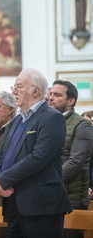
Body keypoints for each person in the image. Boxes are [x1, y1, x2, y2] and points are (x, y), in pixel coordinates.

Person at [0, 68, 72, 237]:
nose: (13, 91)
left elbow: (39, 157)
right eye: (14, 87)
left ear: (35, 91)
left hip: (41, 206)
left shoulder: (52, 117)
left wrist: (3, 180)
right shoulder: (17, 121)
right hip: (13, 202)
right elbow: (0, 154)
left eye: (19, 86)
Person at [48, 80, 93, 238]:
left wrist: (47, 181)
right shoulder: (46, 121)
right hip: (48, 194)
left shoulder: (81, 125)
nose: (51, 97)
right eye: (51, 93)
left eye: (57, 95)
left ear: (71, 101)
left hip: (71, 197)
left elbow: (76, 162)